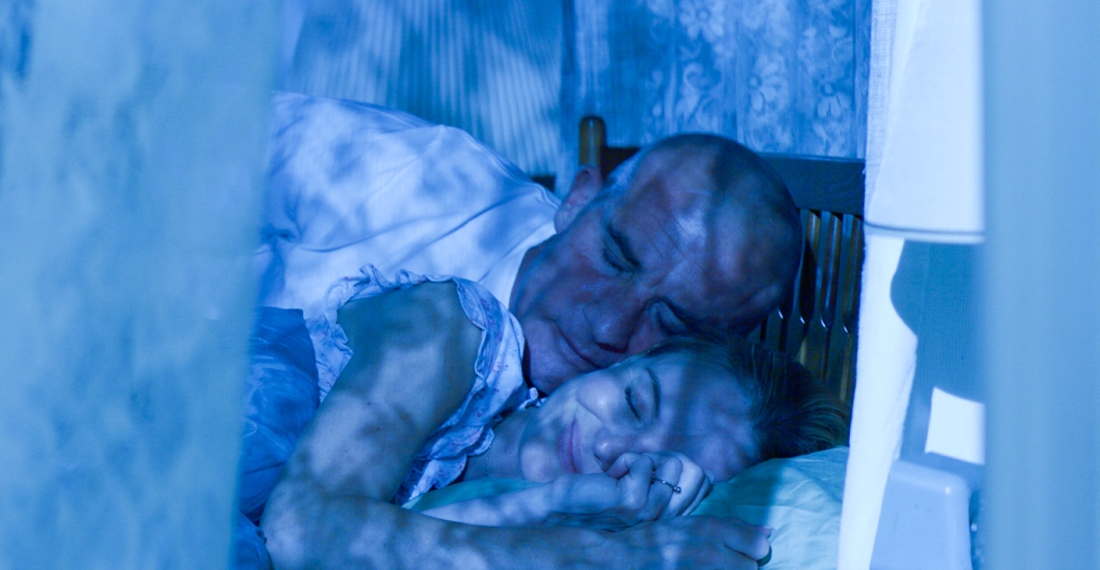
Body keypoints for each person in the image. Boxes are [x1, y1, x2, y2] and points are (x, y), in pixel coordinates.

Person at [256, 273, 846, 570]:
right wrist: (611, 561)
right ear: (618, 363)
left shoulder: (511, 511)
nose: (609, 448)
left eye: (652, 464)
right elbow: (298, 539)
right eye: (634, 402)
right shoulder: (457, 329)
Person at [258, 93, 803, 393]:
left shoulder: (623, 441)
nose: (609, 327)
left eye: (672, 322)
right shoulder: (420, 178)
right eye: (614, 258)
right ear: (576, 201)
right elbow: (215, 134)